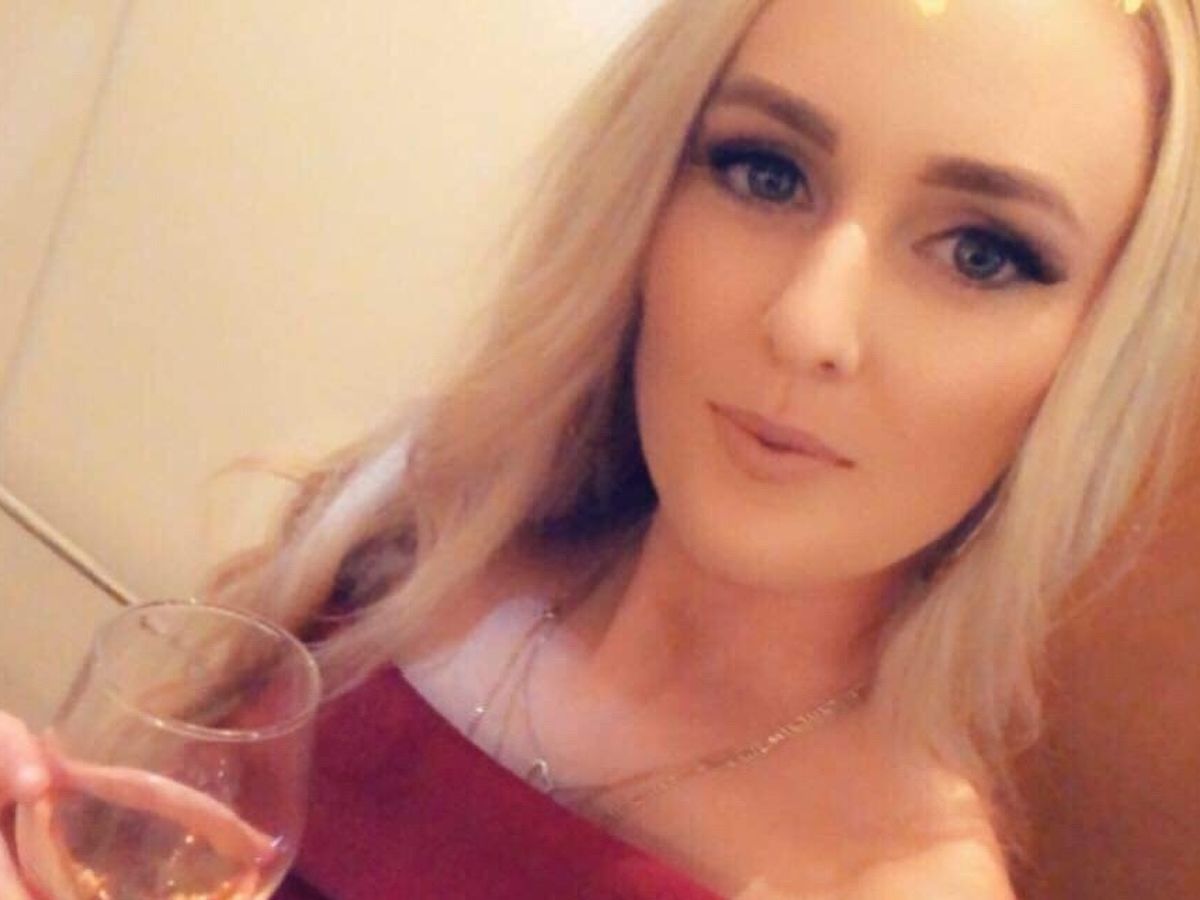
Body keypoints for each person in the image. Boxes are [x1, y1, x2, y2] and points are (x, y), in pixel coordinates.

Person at [3, 0, 1199, 896]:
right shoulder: (417, 537)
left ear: (1089, 369)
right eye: (765, 171)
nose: (807, 322)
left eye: (984, 254)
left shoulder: (892, 881)